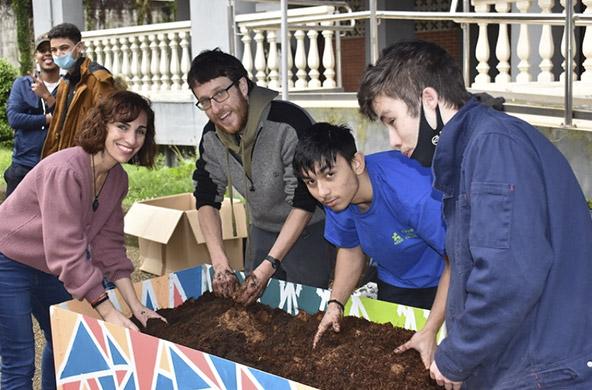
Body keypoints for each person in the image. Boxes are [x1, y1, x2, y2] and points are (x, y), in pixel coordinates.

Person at [357, 40, 592, 389]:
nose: (392, 139)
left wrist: (457, 356)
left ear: (429, 100)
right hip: (523, 360)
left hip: (541, 368)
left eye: (391, 121)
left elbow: (509, 276)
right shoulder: (476, 147)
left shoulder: (493, 146)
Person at [0, 90, 165, 390]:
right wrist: (108, 311)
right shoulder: (66, 170)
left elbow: (109, 246)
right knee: (20, 359)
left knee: (65, 341)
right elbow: (67, 251)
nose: (132, 138)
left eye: (140, 130)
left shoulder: (117, 179)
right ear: (102, 126)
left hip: (49, 266)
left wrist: (135, 305)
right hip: (8, 261)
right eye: (122, 126)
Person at [293, 123, 449, 367]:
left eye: (329, 174)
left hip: (448, 281)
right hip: (395, 280)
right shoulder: (337, 198)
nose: (322, 191)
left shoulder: (412, 190)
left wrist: (430, 329)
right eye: (311, 182)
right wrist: (336, 304)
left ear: (357, 163)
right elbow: (351, 249)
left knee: (446, 365)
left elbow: (458, 259)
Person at [187, 48, 334, 305]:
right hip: (261, 231)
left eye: (221, 94)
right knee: (256, 310)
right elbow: (206, 197)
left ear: (242, 86)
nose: (216, 109)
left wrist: (269, 266)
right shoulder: (211, 136)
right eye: (205, 101)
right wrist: (219, 262)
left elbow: (304, 200)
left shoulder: (288, 123)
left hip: (308, 231)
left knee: (306, 312)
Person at [41, 22, 116, 158]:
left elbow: (108, 122)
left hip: (89, 157)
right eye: (54, 50)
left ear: (79, 47)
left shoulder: (98, 78)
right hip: (65, 155)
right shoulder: (65, 81)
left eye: (64, 48)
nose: (58, 54)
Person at [3, 33, 60, 197]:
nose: (47, 53)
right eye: (42, 50)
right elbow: (14, 119)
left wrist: (47, 97)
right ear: (36, 56)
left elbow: (69, 119)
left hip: (55, 167)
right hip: (24, 164)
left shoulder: (68, 86)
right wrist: (47, 119)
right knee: (12, 220)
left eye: (51, 50)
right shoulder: (23, 84)